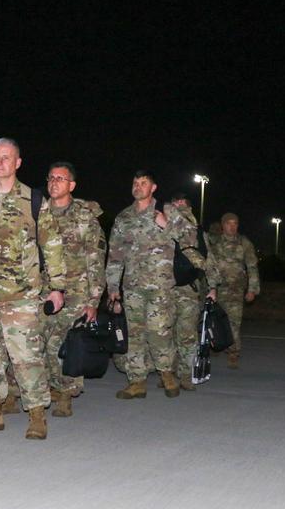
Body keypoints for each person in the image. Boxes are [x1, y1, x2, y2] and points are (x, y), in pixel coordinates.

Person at [0, 138, 66, 439]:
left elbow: (52, 245)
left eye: (6, 157)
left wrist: (57, 288)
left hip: (21, 295)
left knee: (26, 358)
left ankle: (36, 415)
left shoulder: (33, 200)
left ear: (17, 163)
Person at [106, 171, 217, 399]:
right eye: (135, 182)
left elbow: (190, 239)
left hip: (161, 286)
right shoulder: (123, 217)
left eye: (143, 183)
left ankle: (167, 374)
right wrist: (113, 287)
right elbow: (115, 255)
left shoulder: (168, 211)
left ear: (153, 187)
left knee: (159, 332)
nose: (138, 186)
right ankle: (136, 381)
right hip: (132, 286)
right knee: (135, 334)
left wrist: (166, 225)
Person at [42, 162, 106, 416]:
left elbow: (95, 258)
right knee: (43, 344)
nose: (54, 182)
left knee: (67, 345)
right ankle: (49, 388)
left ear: (72, 185)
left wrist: (94, 300)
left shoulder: (84, 216)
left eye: (60, 178)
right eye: (51, 177)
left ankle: (66, 393)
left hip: (76, 291)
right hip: (43, 290)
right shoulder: (39, 212)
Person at [167, 193, 206, 390]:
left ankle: (185, 375)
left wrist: (213, 287)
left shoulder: (196, 230)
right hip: (167, 288)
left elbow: (208, 257)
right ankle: (169, 373)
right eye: (176, 202)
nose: (179, 205)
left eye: (183, 203)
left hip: (188, 289)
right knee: (166, 332)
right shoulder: (163, 225)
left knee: (187, 334)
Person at [211, 212, 260, 368]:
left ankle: (233, 352)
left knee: (234, 322)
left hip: (235, 290)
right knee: (215, 321)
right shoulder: (215, 243)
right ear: (223, 225)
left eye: (235, 224)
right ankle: (216, 345)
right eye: (228, 223)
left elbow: (252, 266)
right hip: (217, 289)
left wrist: (252, 289)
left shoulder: (244, 243)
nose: (232, 227)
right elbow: (209, 266)